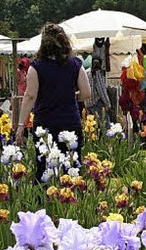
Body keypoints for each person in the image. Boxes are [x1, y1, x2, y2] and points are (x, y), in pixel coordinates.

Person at [14, 23, 91, 183]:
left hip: (45, 123)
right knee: (72, 168)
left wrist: (21, 125)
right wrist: (70, 96)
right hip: (70, 122)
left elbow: (30, 96)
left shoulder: (36, 67)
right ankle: (73, 204)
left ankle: (45, 204)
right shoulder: (76, 64)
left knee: (44, 169)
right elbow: (86, 93)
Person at [86, 54, 112, 129]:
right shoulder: (98, 73)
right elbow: (101, 91)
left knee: (92, 129)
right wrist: (108, 104)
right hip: (97, 104)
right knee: (104, 128)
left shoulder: (87, 72)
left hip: (88, 104)